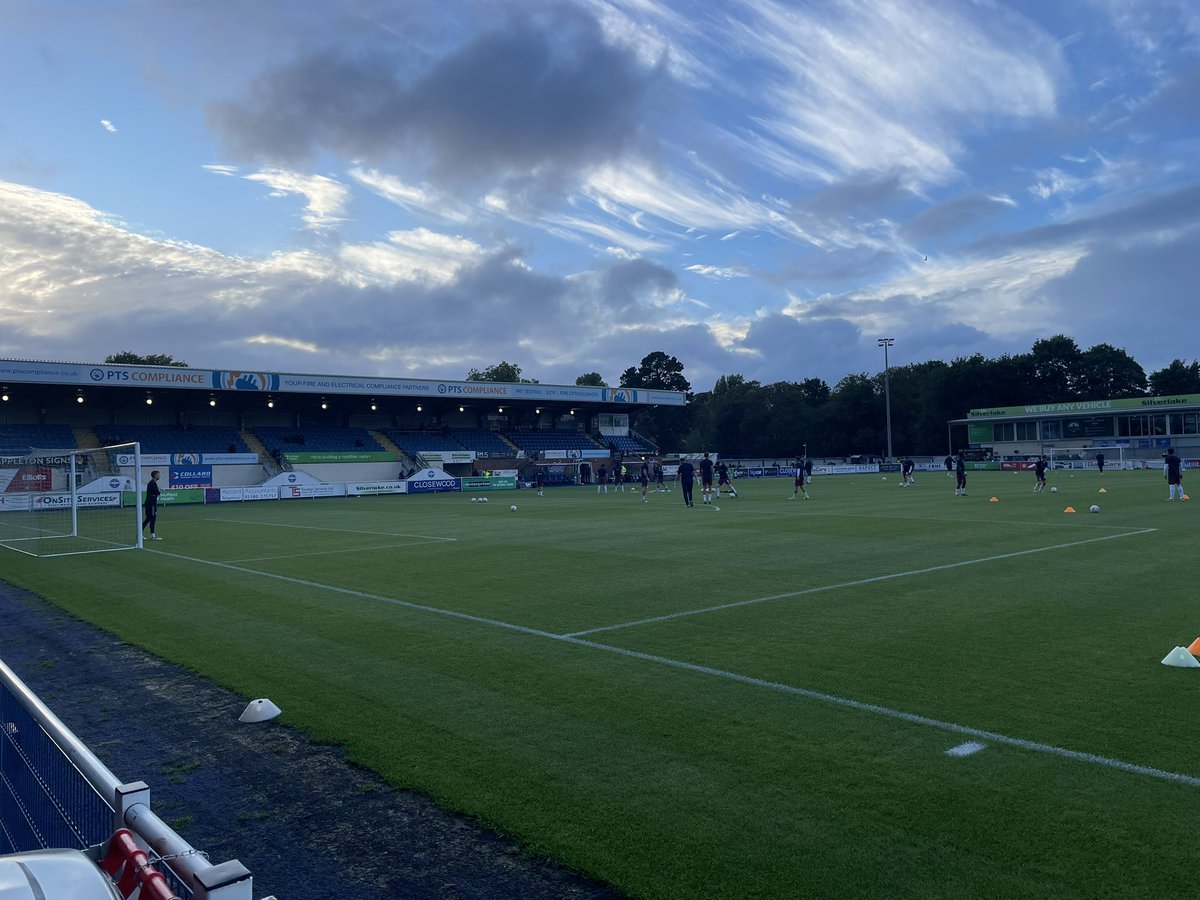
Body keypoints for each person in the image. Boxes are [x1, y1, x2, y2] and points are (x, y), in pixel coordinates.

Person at [142, 470, 162, 541]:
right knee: (152, 518)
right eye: (159, 475)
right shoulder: (152, 483)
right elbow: (157, 492)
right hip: (151, 504)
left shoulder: (152, 482)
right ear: (155, 475)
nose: (159, 476)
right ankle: (152, 535)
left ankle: (140, 534)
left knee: (148, 518)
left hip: (150, 503)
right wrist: (158, 491)